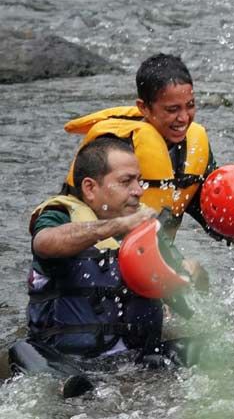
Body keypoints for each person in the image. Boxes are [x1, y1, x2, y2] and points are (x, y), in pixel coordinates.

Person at [23, 137, 205, 366]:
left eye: (139, 181)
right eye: (126, 181)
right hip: (67, 362)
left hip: (137, 359)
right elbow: (44, 243)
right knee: (23, 351)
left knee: (210, 350)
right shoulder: (59, 216)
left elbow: (190, 301)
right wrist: (119, 225)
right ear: (90, 188)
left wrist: (193, 274)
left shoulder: (146, 231)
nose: (138, 190)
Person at [62, 53, 220, 239]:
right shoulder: (112, 148)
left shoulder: (193, 147)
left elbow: (215, 219)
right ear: (143, 108)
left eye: (190, 105)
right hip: (97, 250)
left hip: (153, 253)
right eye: (172, 109)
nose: (184, 118)